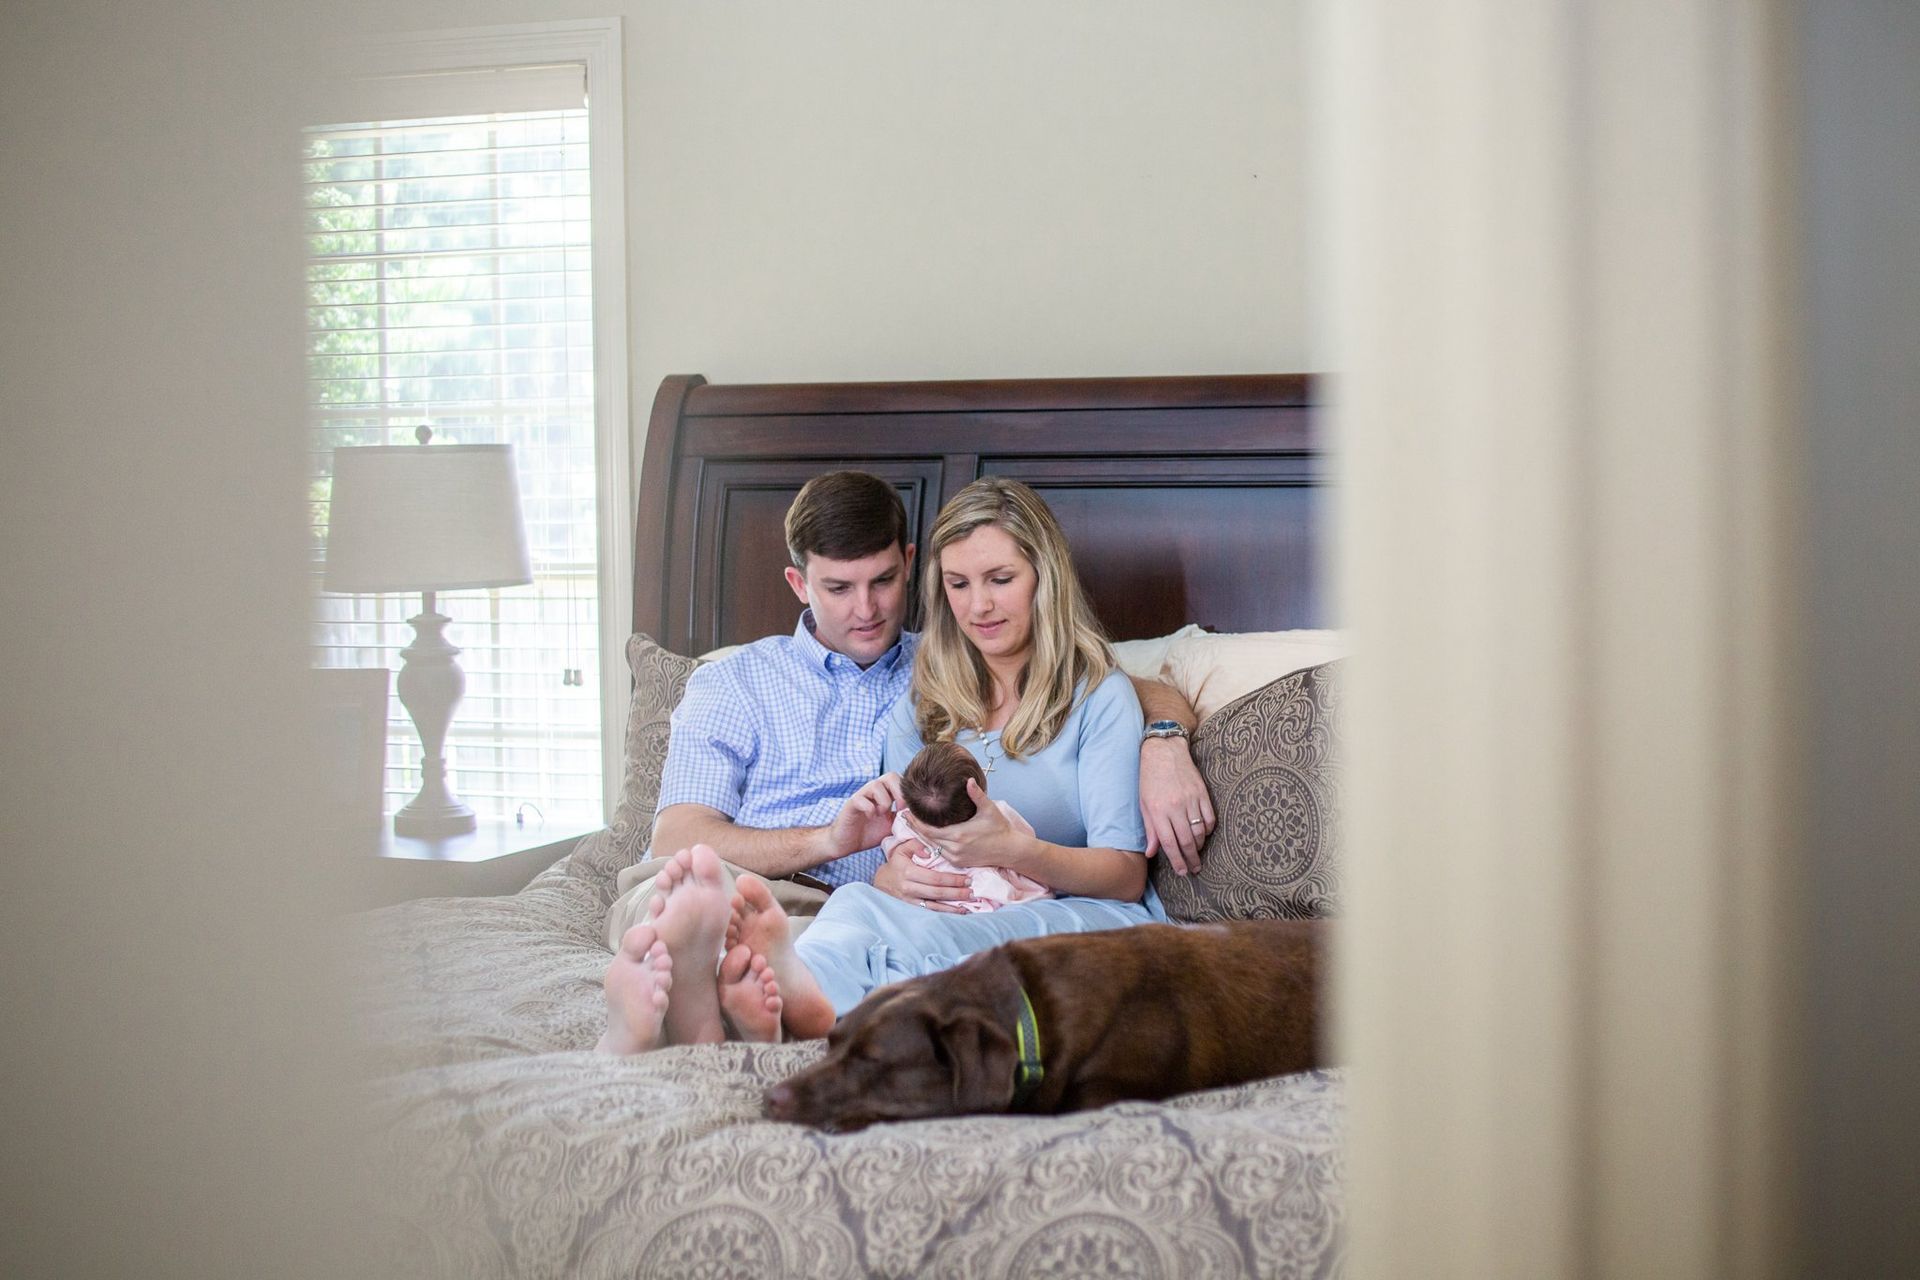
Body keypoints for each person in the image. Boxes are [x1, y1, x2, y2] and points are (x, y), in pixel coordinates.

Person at [600, 476, 1176, 1051]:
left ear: (906, 565)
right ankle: (706, 989)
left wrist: (1167, 739)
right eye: (839, 588)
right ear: (799, 584)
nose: (867, 609)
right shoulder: (749, 683)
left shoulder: (939, 667)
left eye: (882, 581)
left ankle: (722, 1011)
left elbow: (1130, 685)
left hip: (878, 914)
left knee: (846, 932)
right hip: (745, 886)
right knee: (690, 898)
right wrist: (843, 847)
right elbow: (678, 839)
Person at [884, 741, 1049, 913]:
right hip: (980, 894)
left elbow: (893, 849)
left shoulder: (905, 821)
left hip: (928, 900)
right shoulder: (1000, 816)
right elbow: (1025, 840)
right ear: (979, 789)